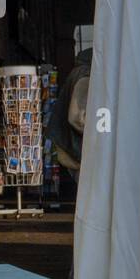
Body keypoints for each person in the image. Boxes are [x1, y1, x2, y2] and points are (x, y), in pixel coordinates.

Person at [47, 48, 91, 182]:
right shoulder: (86, 75)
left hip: (72, 151)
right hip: (78, 153)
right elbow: (77, 117)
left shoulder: (80, 72)